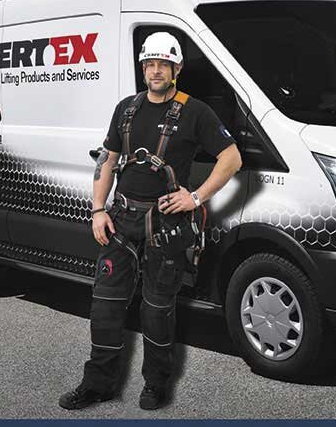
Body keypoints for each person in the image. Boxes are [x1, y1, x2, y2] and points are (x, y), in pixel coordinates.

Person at [59, 31, 242, 411]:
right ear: (143, 68)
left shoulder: (195, 112)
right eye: (150, 64)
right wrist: (97, 209)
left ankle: (156, 385)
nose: (156, 71)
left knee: (157, 312)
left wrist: (195, 197)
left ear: (176, 68)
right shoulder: (127, 109)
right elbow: (107, 160)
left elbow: (232, 158)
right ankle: (98, 384)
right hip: (121, 221)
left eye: (163, 64)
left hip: (166, 227)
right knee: (105, 308)